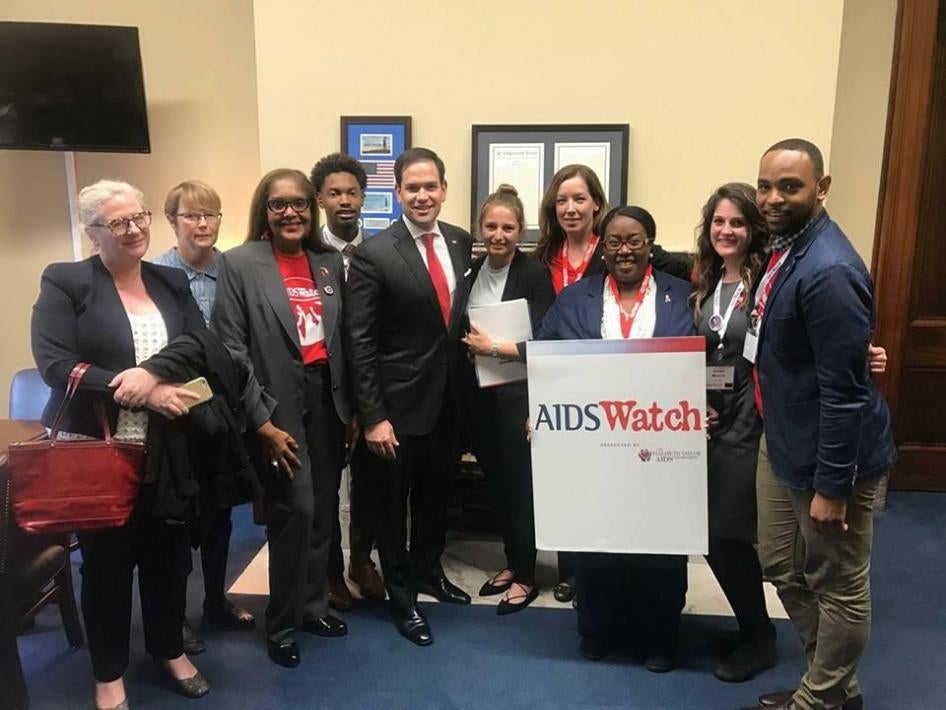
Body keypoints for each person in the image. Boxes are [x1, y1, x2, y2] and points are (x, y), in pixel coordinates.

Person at [31, 180, 209, 709]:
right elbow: (55, 365)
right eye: (118, 222)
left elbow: (198, 343)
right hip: (97, 453)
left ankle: (169, 649)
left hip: (168, 452)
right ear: (93, 232)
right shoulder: (67, 282)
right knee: (107, 571)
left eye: (139, 217)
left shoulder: (169, 280)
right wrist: (130, 388)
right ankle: (108, 674)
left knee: (169, 561)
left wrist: (152, 375)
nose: (134, 230)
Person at [747, 139, 896, 710]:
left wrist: (834, 487)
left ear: (822, 188)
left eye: (790, 186)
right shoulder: (786, 249)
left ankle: (821, 698)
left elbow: (844, 391)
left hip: (832, 455)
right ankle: (833, 684)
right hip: (783, 436)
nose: (773, 198)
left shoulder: (829, 269)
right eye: (766, 185)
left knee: (839, 586)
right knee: (781, 563)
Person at [537, 205, 695, 672]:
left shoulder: (684, 297)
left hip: (660, 447)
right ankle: (597, 626)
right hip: (595, 447)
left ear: (651, 242)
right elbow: (548, 362)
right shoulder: (574, 300)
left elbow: (703, 367)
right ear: (602, 247)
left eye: (634, 240)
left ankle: (660, 635)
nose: (624, 250)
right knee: (598, 539)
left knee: (659, 541)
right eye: (614, 242)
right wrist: (540, 414)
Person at [211, 168, 352, 669]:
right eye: (278, 205)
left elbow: (344, 343)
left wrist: (351, 411)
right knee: (294, 515)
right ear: (264, 212)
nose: (290, 212)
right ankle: (284, 624)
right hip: (275, 407)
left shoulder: (329, 262)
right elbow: (230, 350)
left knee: (322, 511)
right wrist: (261, 422)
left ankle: (313, 607)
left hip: (328, 405)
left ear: (310, 209)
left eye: (298, 204)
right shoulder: (240, 264)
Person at [345, 147, 473, 646]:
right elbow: (360, 341)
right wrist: (373, 416)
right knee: (390, 507)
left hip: (448, 403)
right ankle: (402, 597)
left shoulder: (461, 243)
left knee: (438, 498)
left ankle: (429, 571)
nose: (423, 195)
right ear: (397, 193)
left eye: (431, 186)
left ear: (443, 189)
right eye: (412, 187)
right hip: (394, 410)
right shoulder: (374, 253)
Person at [153, 180, 255, 655]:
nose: (202, 224)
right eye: (192, 215)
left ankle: (215, 600)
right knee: (175, 524)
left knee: (220, 516)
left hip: (224, 414)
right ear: (172, 220)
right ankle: (173, 619)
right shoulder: (152, 275)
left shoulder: (232, 271)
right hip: (172, 417)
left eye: (211, 215)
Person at [691, 183, 777, 682]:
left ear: (753, 229)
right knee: (709, 532)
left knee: (728, 531)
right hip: (709, 419)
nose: (727, 231)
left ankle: (760, 637)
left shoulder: (767, 278)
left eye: (738, 223)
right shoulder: (704, 279)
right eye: (720, 222)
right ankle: (751, 625)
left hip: (752, 420)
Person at [459, 185, 555, 614]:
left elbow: (548, 338)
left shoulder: (534, 274)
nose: (499, 234)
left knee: (520, 487)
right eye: (491, 226)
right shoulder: (470, 269)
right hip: (477, 397)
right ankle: (512, 562)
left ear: (521, 231)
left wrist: (494, 348)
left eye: (508, 227)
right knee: (496, 483)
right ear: (481, 228)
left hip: (518, 395)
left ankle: (527, 574)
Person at [310, 153, 386, 610]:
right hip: (322, 392)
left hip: (373, 391)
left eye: (352, 192)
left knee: (370, 484)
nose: (344, 201)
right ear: (319, 198)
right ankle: (330, 571)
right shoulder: (306, 255)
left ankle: (362, 560)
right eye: (334, 193)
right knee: (324, 487)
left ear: (364, 197)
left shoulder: (379, 252)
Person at [531, 164, 608, 602]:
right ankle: (570, 569)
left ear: (596, 203)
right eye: (562, 200)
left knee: (599, 477)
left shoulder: (613, 249)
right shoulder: (544, 257)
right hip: (555, 380)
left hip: (603, 380)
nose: (571, 208)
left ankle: (596, 570)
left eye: (579, 199)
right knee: (564, 478)